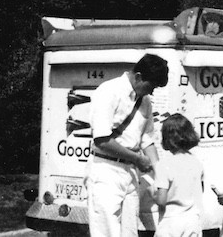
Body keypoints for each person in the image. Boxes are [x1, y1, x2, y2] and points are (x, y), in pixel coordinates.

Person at [85, 53, 169, 237]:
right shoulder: (109, 91)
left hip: (130, 172)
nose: (152, 92)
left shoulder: (145, 101)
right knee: (106, 231)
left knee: (129, 232)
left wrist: (160, 174)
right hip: (106, 170)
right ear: (138, 76)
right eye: (151, 86)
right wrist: (138, 159)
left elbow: (147, 140)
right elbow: (102, 139)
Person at [152, 113, 204, 237]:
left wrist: (152, 193)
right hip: (193, 220)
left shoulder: (164, 164)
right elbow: (200, 190)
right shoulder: (197, 162)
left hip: (170, 221)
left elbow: (161, 200)